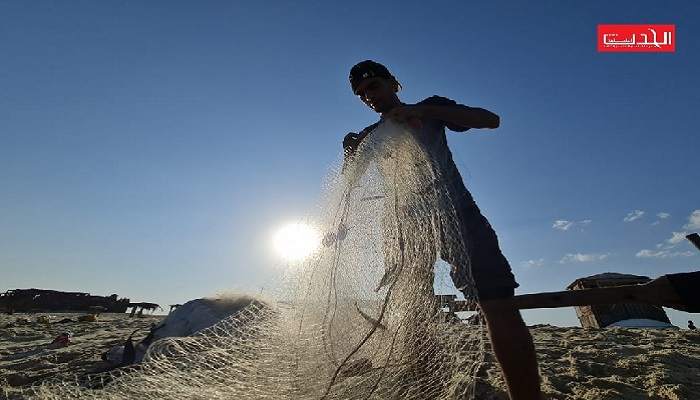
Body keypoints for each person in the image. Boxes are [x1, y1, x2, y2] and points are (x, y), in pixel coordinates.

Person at [341, 60, 541, 400]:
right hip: (403, 226)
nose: (369, 96)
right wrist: (351, 153)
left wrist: (425, 109)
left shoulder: (431, 110)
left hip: (458, 215)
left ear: (392, 82)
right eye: (361, 94)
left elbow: (490, 120)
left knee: (497, 302)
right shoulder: (370, 137)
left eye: (373, 86)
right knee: (416, 312)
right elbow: (347, 186)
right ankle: (429, 389)